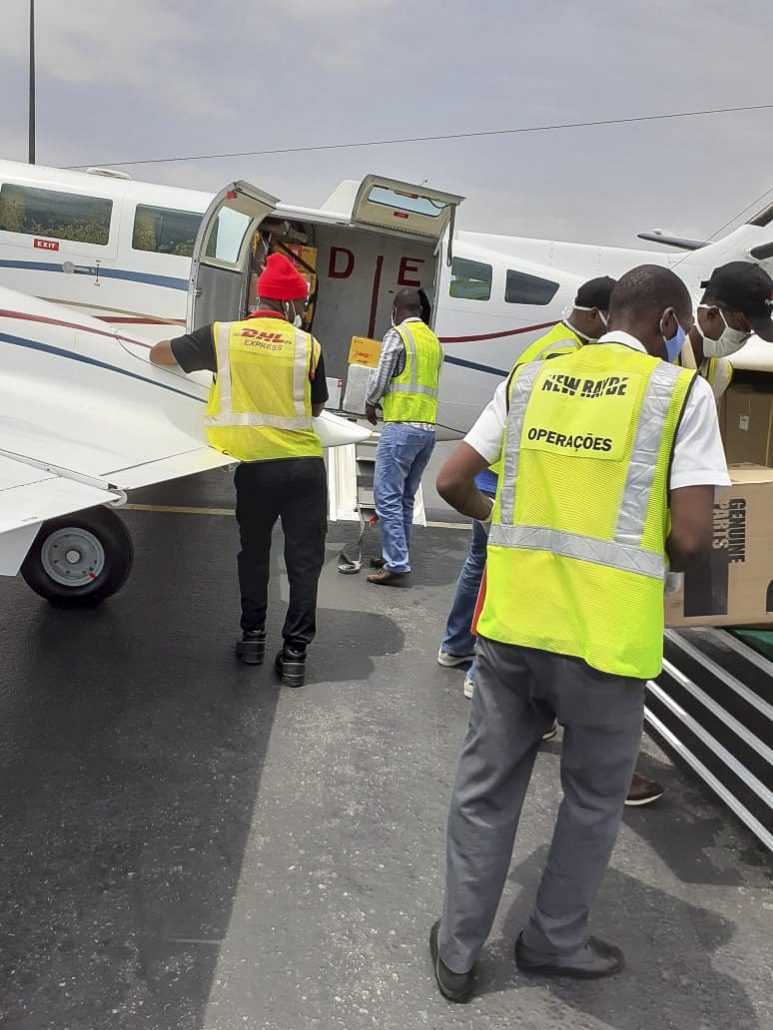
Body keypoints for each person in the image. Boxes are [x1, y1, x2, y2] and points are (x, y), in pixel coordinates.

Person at [429, 265, 728, 1001]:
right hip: (604, 641)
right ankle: (552, 942)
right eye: (682, 328)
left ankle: (458, 952)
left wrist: (502, 522)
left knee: (483, 792)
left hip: (513, 628)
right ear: (665, 321)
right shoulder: (678, 394)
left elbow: (451, 481)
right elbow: (693, 536)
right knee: (592, 801)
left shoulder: (532, 378)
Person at [149, 253, 328, 688]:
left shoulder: (223, 336)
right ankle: (295, 656)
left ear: (259, 296)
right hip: (305, 468)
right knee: (303, 563)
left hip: (255, 470)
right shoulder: (309, 345)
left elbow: (160, 356)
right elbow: (317, 405)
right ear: (290, 306)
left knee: (254, 554)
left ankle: (252, 639)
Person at [437, 276, 616, 681]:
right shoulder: (566, 355)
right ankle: (479, 674)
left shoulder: (553, 342)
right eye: (612, 318)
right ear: (593, 315)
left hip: (493, 475)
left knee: (480, 568)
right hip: (512, 481)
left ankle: (455, 647)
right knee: (504, 579)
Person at [364, 288, 445, 585]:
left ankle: (396, 563)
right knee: (405, 498)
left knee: (387, 496)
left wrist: (371, 402)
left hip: (401, 428)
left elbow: (382, 376)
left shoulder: (398, 335)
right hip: (427, 430)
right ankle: (397, 554)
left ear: (397, 309)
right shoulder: (433, 341)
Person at [677, 260, 773, 399]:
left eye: (748, 333)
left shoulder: (720, 373)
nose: (741, 338)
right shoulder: (661, 358)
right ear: (712, 314)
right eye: (739, 328)